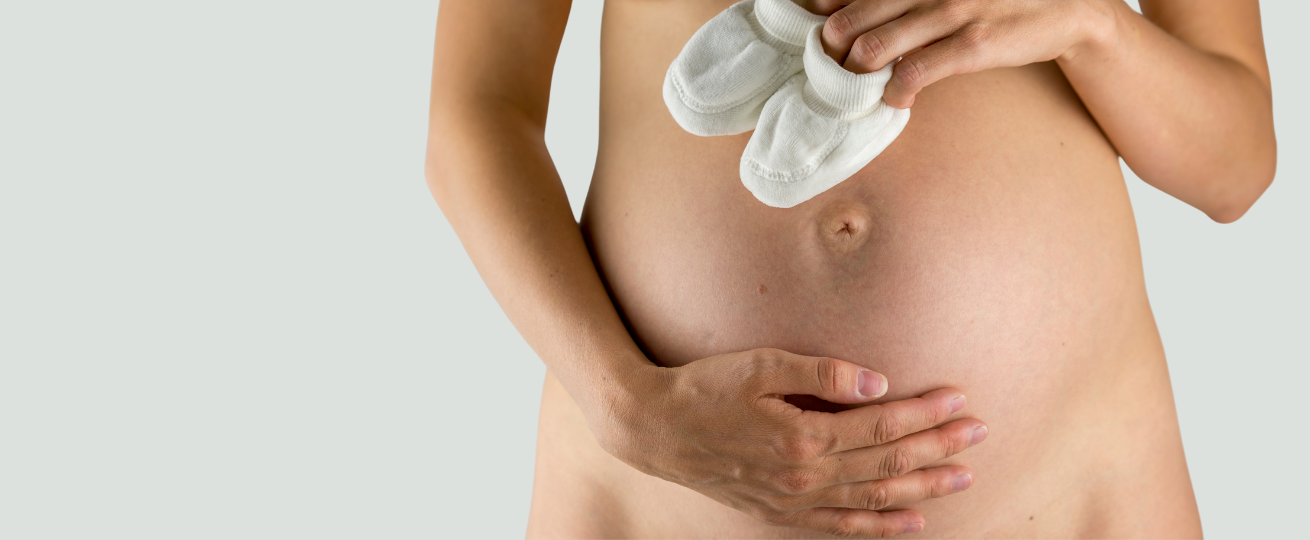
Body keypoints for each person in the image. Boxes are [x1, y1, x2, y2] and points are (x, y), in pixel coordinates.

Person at [423, 0, 1273, 537]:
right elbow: (475, 112)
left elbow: (1235, 168)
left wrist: (1091, 25)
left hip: (1070, 500)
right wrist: (621, 405)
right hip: (654, 506)